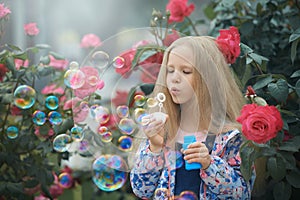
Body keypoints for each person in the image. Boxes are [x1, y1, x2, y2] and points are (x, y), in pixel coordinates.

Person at [129, 34, 256, 199]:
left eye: (186, 71)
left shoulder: (228, 137)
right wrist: (153, 148)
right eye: (170, 70)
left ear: (208, 79)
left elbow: (242, 194)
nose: (174, 78)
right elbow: (141, 189)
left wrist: (209, 164)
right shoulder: (163, 131)